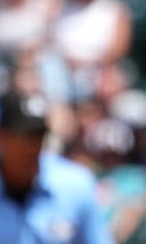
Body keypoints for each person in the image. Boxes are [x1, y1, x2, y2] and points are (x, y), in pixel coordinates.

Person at [0, 90, 113, 243]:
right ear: (3, 136)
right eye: (22, 136)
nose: (31, 147)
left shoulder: (75, 184)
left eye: (38, 135)